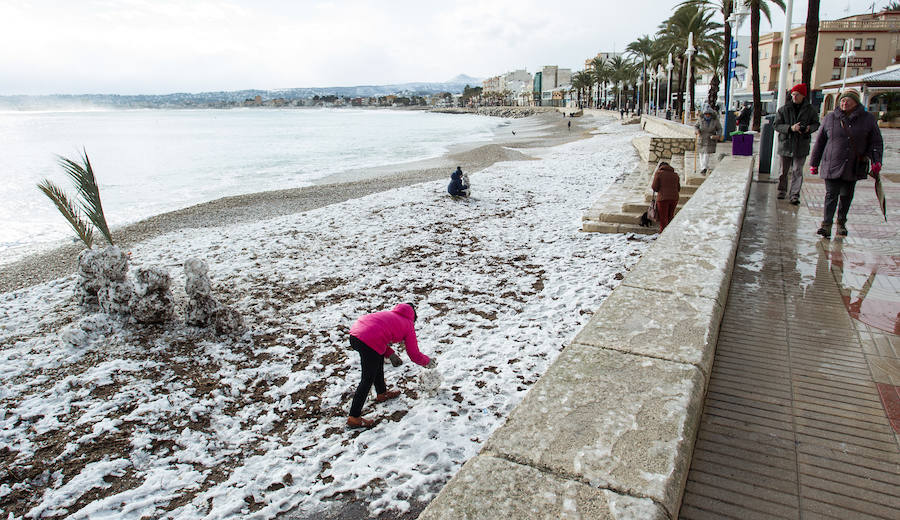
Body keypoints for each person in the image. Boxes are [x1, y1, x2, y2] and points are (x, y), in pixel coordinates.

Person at [346, 303, 436, 428]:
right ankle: (354, 417)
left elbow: (378, 335)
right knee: (367, 378)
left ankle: (382, 393)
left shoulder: (390, 315)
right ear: (413, 317)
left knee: (377, 359)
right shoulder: (408, 324)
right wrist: (427, 362)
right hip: (368, 339)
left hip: (355, 335)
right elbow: (414, 354)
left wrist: (391, 354)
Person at [809, 91, 883, 239]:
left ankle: (841, 223)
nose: (844, 103)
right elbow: (820, 142)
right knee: (831, 195)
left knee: (846, 195)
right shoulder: (830, 118)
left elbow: (876, 141)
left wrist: (876, 160)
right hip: (832, 162)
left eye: (848, 101)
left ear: (856, 103)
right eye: (842, 101)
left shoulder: (867, 119)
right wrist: (814, 163)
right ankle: (826, 225)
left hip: (853, 164)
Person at [773, 84, 820, 205]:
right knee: (783, 171)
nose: (794, 97)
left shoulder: (810, 110)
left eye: (797, 94)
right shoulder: (784, 109)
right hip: (786, 144)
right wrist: (790, 128)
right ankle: (781, 190)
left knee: (797, 170)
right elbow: (776, 125)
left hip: (801, 144)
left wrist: (809, 128)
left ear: (803, 95)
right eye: (793, 94)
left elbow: (816, 124)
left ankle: (794, 195)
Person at [651, 161, 681, 232]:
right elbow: (678, 188)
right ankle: (670, 233)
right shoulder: (675, 175)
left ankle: (663, 236)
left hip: (663, 199)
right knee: (670, 217)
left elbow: (654, 187)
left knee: (663, 219)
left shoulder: (658, 173)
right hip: (674, 198)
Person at [695, 106, 723, 174]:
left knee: (706, 153)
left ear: (711, 114)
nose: (707, 115)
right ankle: (703, 166)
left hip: (710, 138)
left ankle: (704, 168)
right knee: (701, 153)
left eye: (709, 114)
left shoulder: (715, 121)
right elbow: (696, 126)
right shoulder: (700, 119)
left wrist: (718, 135)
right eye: (706, 114)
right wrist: (697, 131)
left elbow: (719, 128)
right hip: (701, 138)